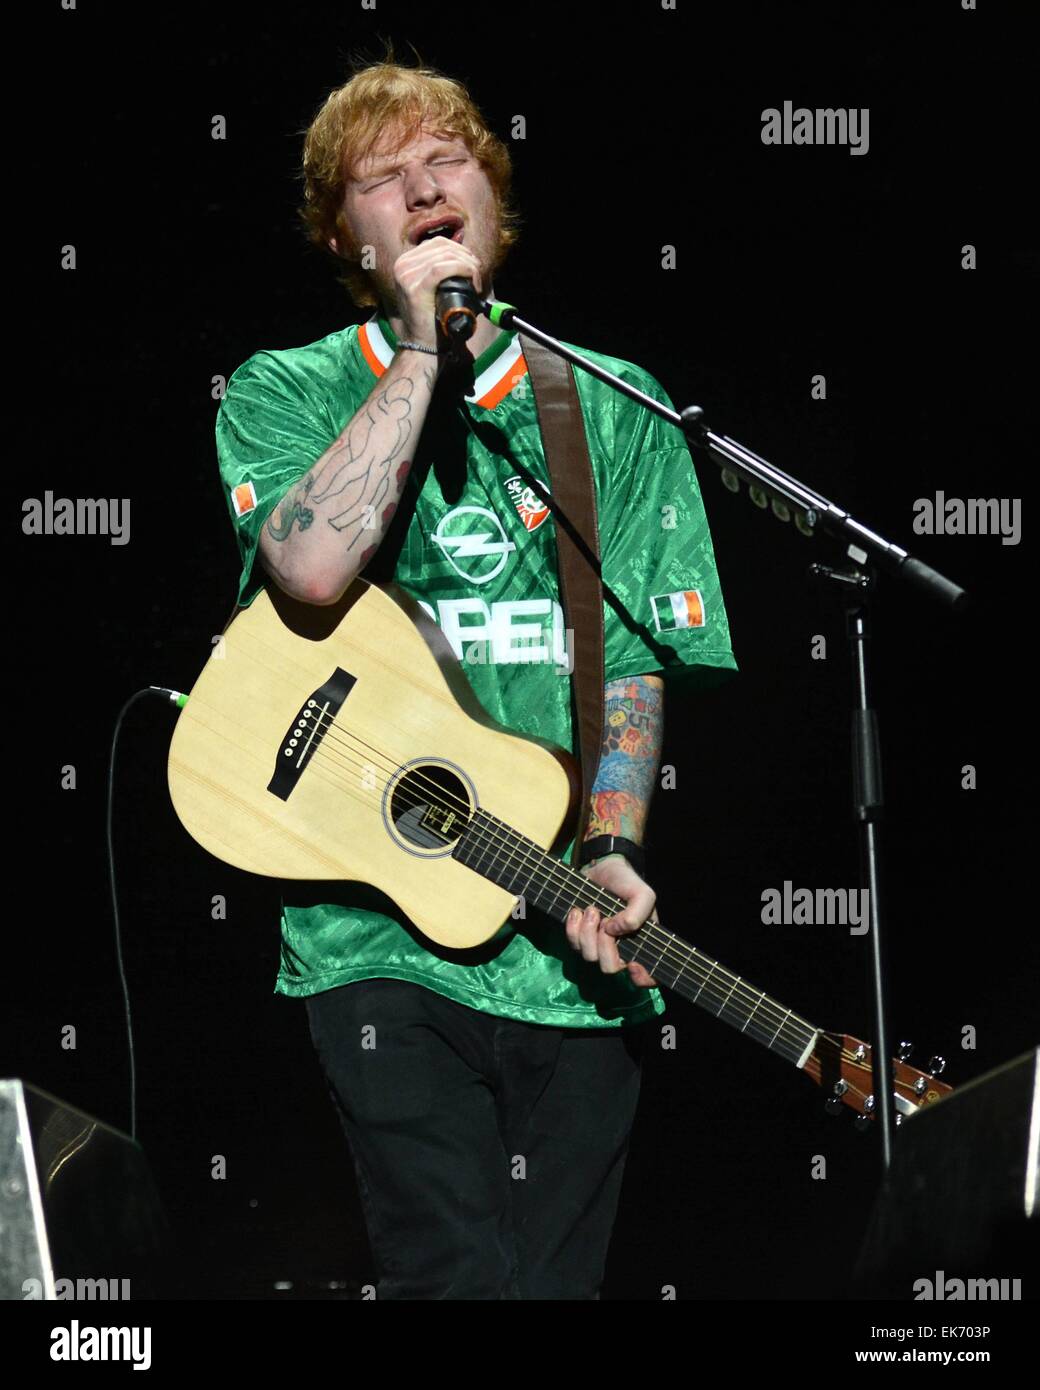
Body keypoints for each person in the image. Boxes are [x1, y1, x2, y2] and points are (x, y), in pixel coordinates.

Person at [215, 57, 737, 1300]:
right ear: (347, 235)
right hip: (372, 935)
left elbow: (633, 659)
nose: (424, 189)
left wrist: (610, 836)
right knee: (451, 1273)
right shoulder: (281, 387)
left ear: (492, 198)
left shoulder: (609, 402)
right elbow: (307, 566)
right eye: (382, 181)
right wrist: (416, 351)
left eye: (447, 161)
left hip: (559, 948)